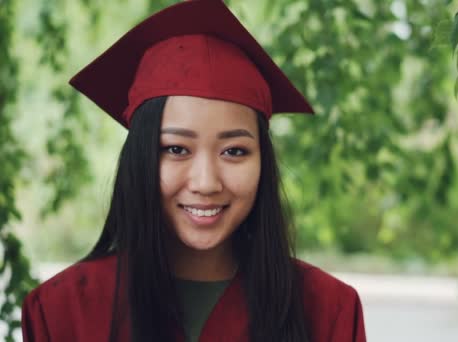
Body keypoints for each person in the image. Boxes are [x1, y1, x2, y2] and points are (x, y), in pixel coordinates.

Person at [20, 1, 366, 341]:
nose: (206, 182)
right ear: (139, 160)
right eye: (176, 149)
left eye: (234, 151)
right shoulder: (63, 311)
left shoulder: (326, 310)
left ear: (264, 162)